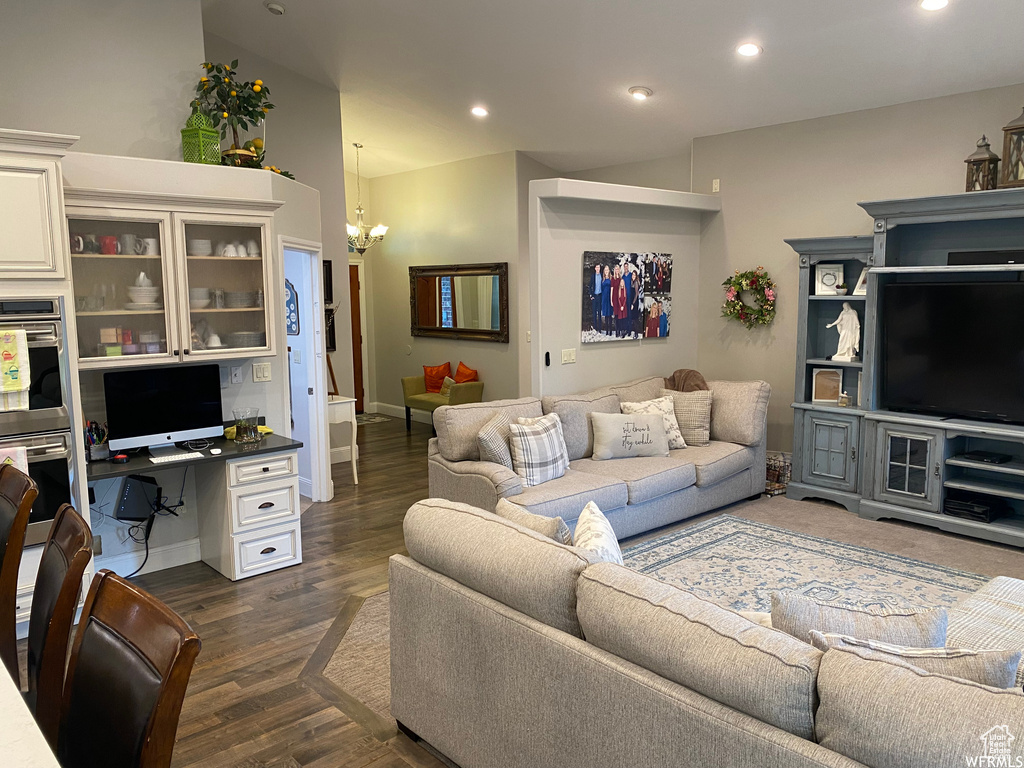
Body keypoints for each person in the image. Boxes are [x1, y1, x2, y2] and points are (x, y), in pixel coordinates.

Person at [612, 265, 627, 337]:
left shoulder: (621, 278)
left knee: (620, 316)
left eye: (618, 269)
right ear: (614, 270)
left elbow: (622, 287)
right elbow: (611, 290)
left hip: (620, 299)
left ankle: (621, 330)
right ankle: (617, 331)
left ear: (619, 270)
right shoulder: (613, 278)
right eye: (616, 269)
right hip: (615, 299)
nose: (617, 270)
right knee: (616, 316)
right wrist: (611, 300)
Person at [600, 265, 612, 335]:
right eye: (605, 270)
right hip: (604, 297)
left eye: (607, 270)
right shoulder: (603, 279)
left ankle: (610, 331)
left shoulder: (611, 278)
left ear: (609, 271)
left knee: (610, 314)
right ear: (604, 271)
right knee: (606, 315)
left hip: (609, 297)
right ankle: (607, 330)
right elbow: (601, 289)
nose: (606, 271)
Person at [590, 263, 603, 332]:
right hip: (594, 296)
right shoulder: (593, 276)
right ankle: (595, 328)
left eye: (599, 267)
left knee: (599, 313)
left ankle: (600, 329)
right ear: (595, 268)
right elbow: (590, 286)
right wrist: (591, 295)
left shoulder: (602, 276)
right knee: (594, 313)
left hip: (600, 296)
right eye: (597, 267)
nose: (598, 268)